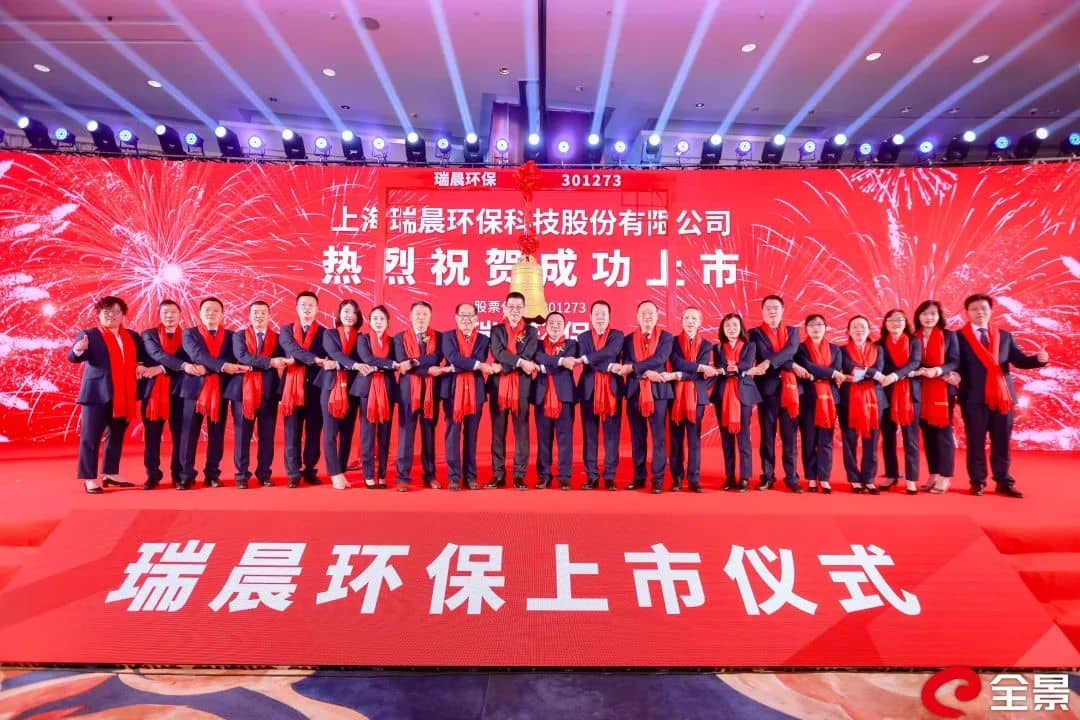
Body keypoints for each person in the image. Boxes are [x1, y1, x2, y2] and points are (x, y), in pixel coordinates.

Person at [956, 293, 1049, 498]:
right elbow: (954, 364)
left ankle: (1003, 481)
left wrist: (1039, 359)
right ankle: (978, 482)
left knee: (1002, 442)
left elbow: (1020, 361)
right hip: (973, 399)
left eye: (983, 308)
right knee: (975, 442)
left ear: (990, 311)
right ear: (967, 312)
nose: (979, 312)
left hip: (1003, 398)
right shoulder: (958, 338)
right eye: (974, 309)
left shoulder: (1005, 336)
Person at [68, 295, 148, 493]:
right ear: (99, 314)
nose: (111, 315)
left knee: (116, 434)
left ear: (123, 314)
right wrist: (78, 350)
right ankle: (89, 478)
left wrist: (140, 364)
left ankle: (111, 473)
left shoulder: (132, 336)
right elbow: (73, 357)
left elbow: (142, 356)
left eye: (116, 312)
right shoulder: (89, 335)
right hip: (96, 394)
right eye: (107, 311)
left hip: (124, 393)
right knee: (90, 437)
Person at [179, 297, 250, 489]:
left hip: (220, 390)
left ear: (222, 314)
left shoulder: (231, 336)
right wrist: (222, 367)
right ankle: (186, 475)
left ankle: (212, 474)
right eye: (207, 310)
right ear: (200, 314)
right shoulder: (189, 333)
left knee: (216, 434)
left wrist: (211, 367)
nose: (211, 313)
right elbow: (196, 355)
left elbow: (233, 359)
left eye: (215, 310)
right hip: (194, 390)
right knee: (189, 434)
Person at [226, 300, 291, 489]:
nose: (259, 316)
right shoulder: (238, 335)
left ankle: (264, 474)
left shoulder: (277, 338)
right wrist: (270, 362)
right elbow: (242, 356)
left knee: (267, 435)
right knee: (242, 435)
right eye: (255, 312)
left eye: (263, 312)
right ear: (249, 315)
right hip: (243, 391)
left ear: (269, 316)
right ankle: (241, 475)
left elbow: (285, 359)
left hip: (268, 390)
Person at [748, 295, 806, 493]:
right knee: (767, 436)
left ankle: (792, 477)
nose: (772, 311)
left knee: (790, 437)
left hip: (790, 391)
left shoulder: (793, 331)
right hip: (767, 391)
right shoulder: (754, 333)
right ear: (762, 311)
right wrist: (792, 365)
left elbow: (791, 350)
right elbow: (765, 353)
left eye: (776, 308)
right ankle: (767, 476)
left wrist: (770, 363)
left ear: (782, 311)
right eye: (768, 308)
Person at [442, 303, 500, 490]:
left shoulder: (483, 339)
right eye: (462, 315)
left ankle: (470, 476)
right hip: (452, 391)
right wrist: (477, 366)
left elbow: (473, 359)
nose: (466, 319)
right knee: (452, 435)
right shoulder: (447, 337)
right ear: (456, 317)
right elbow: (453, 357)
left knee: (471, 435)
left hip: (476, 391)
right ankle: (453, 476)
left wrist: (462, 365)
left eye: (470, 316)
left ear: (476, 319)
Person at [618, 300, 673, 493]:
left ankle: (657, 479)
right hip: (635, 392)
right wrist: (645, 372)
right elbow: (627, 361)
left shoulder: (666, 337)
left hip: (658, 393)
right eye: (643, 313)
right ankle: (639, 477)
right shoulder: (628, 340)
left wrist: (635, 368)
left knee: (659, 438)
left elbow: (660, 359)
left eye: (651, 313)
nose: (647, 316)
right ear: (637, 316)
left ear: (657, 316)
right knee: (637, 437)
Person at [486, 291, 539, 489]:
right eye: (511, 307)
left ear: (524, 309)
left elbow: (528, 354)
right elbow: (497, 352)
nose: (515, 311)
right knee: (498, 433)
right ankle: (498, 474)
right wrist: (520, 363)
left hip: (522, 387)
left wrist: (505, 365)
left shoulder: (531, 332)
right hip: (499, 386)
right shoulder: (496, 330)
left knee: (522, 432)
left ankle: (519, 475)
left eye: (518, 307)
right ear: (504, 308)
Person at [279, 291, 333, 488]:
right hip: (290, 388)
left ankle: (310, 470)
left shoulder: (325, 333)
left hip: (316, 387)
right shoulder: (286, 331)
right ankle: (293, 473)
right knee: (292, 432)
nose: (307, 308)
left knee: (313, 432)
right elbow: (291, 349)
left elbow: (329, 356)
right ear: (297, 308)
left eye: (311, 305)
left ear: (317, 309)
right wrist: (315, 360)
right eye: (303, 305)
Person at [393, 301, 448, 491]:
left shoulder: (439, 337)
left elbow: (437, 357)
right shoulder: (399, 338)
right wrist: (425, 369)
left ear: (430, 317)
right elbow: (403, 363)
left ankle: (430, 475)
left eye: (425, 314)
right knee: (405, 435)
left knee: (429, 434)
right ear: (410, 316)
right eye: (417, 313)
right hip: (407, 392)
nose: (421, 317)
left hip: (431, 391)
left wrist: (415, 361)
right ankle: (402, 477)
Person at [140, 299, 190, 490]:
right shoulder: (149, 335)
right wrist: (174, 366)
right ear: (159, 315)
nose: (169, 316)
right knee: (152, 437)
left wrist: (160, 369)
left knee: (181, 437)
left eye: (173, 312)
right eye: (165, 312)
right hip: (154, 393)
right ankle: (152, 475)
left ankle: (179, 475)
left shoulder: (188, 336)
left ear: (180, 315)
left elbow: (188, 358)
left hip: (180, 392)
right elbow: (156, 354)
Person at [910, 300, 960, 494]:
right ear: (918, 316)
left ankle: (945, 476)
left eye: (933, 313)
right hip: (919, 390)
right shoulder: (913, 337)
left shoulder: (949, 336)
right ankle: (934, 473)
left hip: (943, 390)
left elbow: (954, 361)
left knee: (943, 435)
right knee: (928, 435)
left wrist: (937, 370)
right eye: (924, 314)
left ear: (939, 316)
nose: (929, 317)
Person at [665, 307, 716, 492]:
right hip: (675, 396)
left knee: (694, 440)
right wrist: (700, 368)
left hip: (696, 397)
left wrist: (678, 375)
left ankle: (694, 478)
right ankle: (677, 478)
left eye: (694, 318)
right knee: (676, 439)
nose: (690, 322)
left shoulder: (707, 345)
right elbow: (677, 362)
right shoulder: (672, 342)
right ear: (682, 321)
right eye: (687, 318)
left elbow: (700, 375)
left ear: (700, 322)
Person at [575, 300, 624, 490]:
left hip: (612, 390)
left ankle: (610, 476)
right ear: (590, 316)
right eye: (596, 313)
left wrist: (586, 358)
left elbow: (611, 352)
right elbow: (603, 358)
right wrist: (609, 365)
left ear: (609, 317)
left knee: (612, 435)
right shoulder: (583, 337)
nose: (600, 317)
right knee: (590, 435)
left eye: (604, 313)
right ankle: (592, 476)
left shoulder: (617, 336)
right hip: (589, 390)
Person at [711, 312, 761, 493]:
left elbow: (747, 364)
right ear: (723, 329)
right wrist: (730, 369)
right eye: (727, 326)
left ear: (741, 327)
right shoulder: (717, 347)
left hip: (743, 393)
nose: (731, 329)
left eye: (734, 325)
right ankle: (729, 476)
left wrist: (733, 369)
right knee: (726, 438)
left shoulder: (750, 345)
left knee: (743, 436)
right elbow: (719, 367)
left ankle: (745, 477)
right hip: (723, 394)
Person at [837, 315, 887, 494]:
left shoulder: (878, 349)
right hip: (848, 399)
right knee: (849, 440)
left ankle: (869, 479)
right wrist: (871, 374)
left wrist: (863, 373)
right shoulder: (842, 350)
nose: (859, 330)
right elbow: (849, 367)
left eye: (862, 327)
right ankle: (854, 478)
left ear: (868, 330)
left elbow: (880, 369)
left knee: (872, 441)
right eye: (855, 327)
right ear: (849, 331)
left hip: (875, 399)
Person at [794, 313, 843, 494]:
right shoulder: (800, 349)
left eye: (820, 325)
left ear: (825, 327)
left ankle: (824, 478)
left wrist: (821, 374)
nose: (816, 328)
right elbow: (807, 366)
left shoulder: (835, 349)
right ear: (806, 328)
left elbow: (836, 369)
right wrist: (830, 374)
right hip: (808, 399)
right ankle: (811, 477)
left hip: (829, 399)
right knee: (809, 439)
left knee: (826, 440)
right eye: (812, 325)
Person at [877, 309, 923, 494]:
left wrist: (895, 376)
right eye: (891, 320)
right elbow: (879, 365)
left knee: (910, 439)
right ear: (885, 323)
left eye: (899, 320)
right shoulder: (879, 344)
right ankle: (891, 474)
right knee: (888, 437)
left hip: (909, 394)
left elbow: (915, 363)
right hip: (886, 394)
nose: (895, 323)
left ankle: (911, 479)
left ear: (905, 323)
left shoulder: (914, 342)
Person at [321, 300, 365, 490]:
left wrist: (339, 364)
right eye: (346, 311)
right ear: (339, 314)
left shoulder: (362, 337)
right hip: (331, 387)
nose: (349, 315)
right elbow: (335, 353)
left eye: (354, 312)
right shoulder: (329, 334)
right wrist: (352, 365)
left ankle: (342, 470)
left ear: (358, 317)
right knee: (331, 432)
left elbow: (363, 358)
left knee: (347, 432)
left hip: (353, 388)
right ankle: (334, 473)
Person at [532, 311, 578, 490]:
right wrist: (560, 361)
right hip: (542, 395)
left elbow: (567, 365)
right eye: (551, 322)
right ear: (545, 326)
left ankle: (564, 476)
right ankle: (544, 475)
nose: (555, 326)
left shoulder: (572, 345)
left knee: (565, 439)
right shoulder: (537, 344)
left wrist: (544, 367)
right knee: (543, 439)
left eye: (559, 323)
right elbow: (538, 357)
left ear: (565, 326)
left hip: (564, 396)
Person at [354, 305, 398, 489]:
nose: (378, 322)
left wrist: (384, 366)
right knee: (367, 434)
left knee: (385, 434)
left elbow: (397, 361)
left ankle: (382, 474)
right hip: (367, 389)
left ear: (387, 322)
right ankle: (368, 474)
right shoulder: (362, 339)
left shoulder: (393, 341)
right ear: (369, 321)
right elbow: (367, 359)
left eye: (382, 319)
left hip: (387, 389)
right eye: (375, 319)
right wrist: (391, 364)